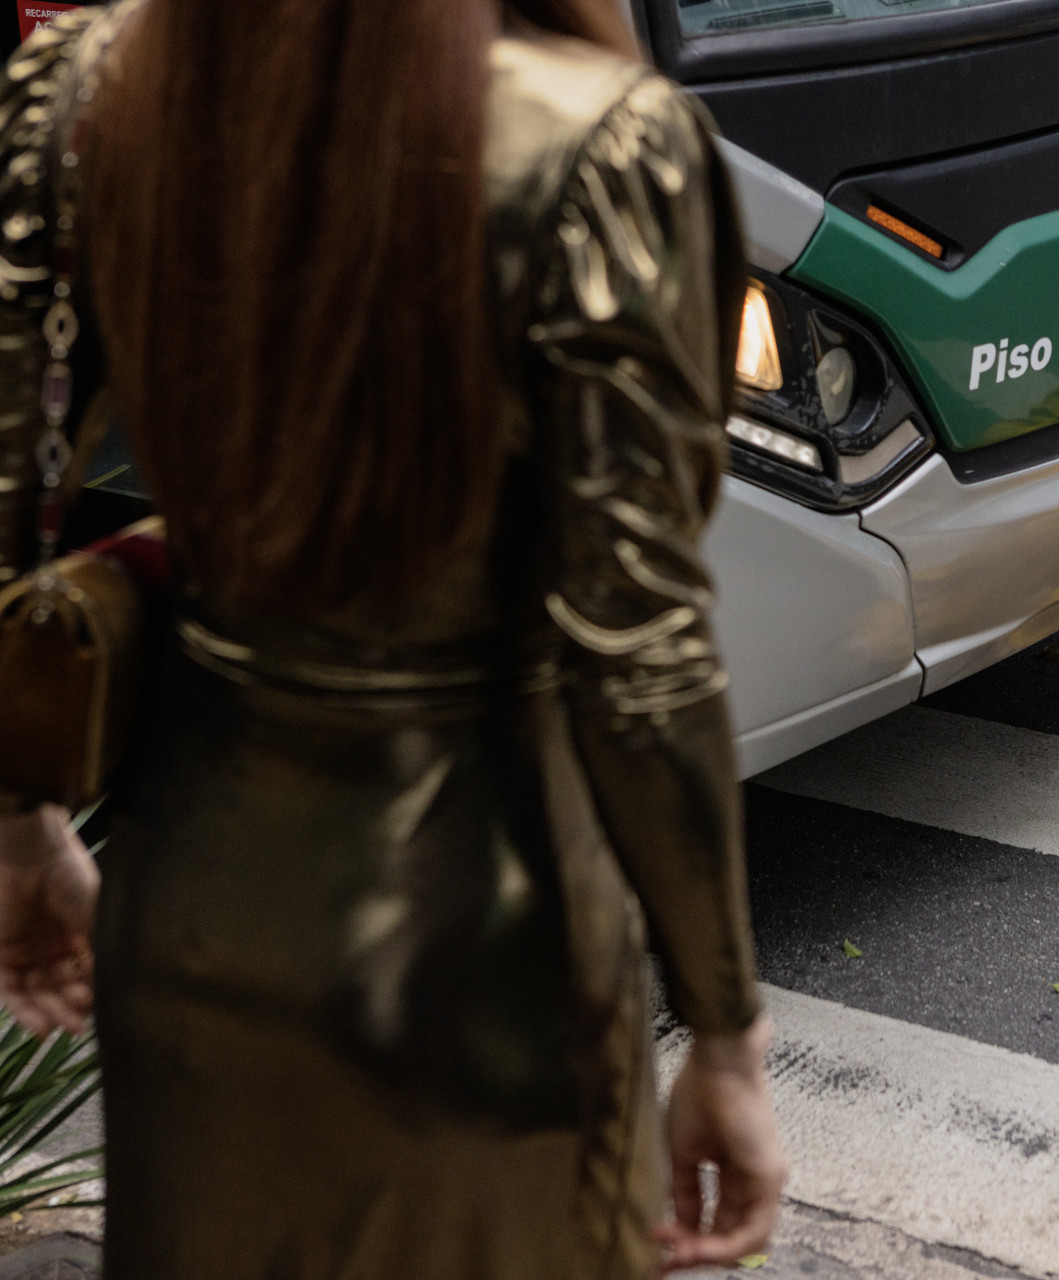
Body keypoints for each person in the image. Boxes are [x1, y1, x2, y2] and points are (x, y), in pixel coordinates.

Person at [0, 1, 785, 1275]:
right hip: (493, 945)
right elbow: (641, 657)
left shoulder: (93, 86)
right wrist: (727, 1031)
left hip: (191, 901)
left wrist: (23, 825)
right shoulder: (597, 141)